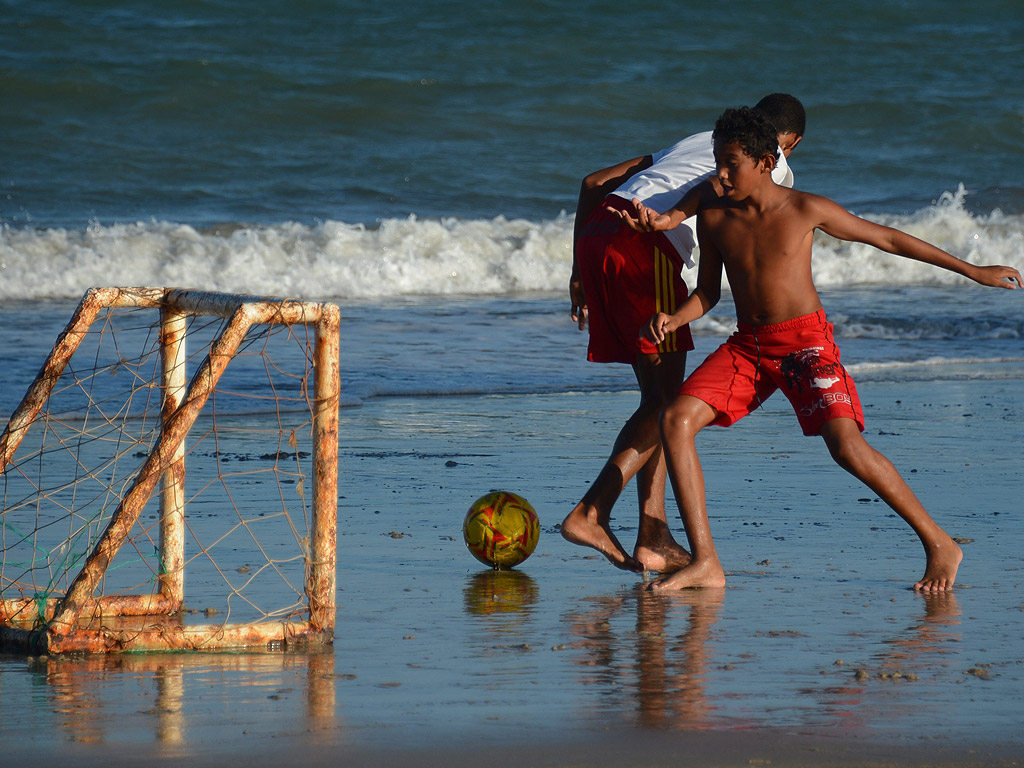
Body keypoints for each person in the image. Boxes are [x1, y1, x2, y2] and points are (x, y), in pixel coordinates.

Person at [640, 106, 1022, 592]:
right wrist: (675, 317)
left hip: (804, 345)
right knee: (675, 419)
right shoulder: (714, 215)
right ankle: (706, 561)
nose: (720, 173)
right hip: (747, 348)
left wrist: (974, 271)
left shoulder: (805, 210)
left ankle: (940, 543)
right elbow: (709, 294)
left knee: (845, 446)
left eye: (730, 162)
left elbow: (888, 239)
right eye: (717, 161)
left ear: (763, 161)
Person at [562, 95, 805, 573]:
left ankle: (653, 535)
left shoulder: (701, 141)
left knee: (658, 400)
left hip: (599, 233)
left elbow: (593, 182)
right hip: (644, 243)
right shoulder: (769, 167)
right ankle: (592, 512)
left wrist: (578, 272)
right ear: (789, 144)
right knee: (667, 404)